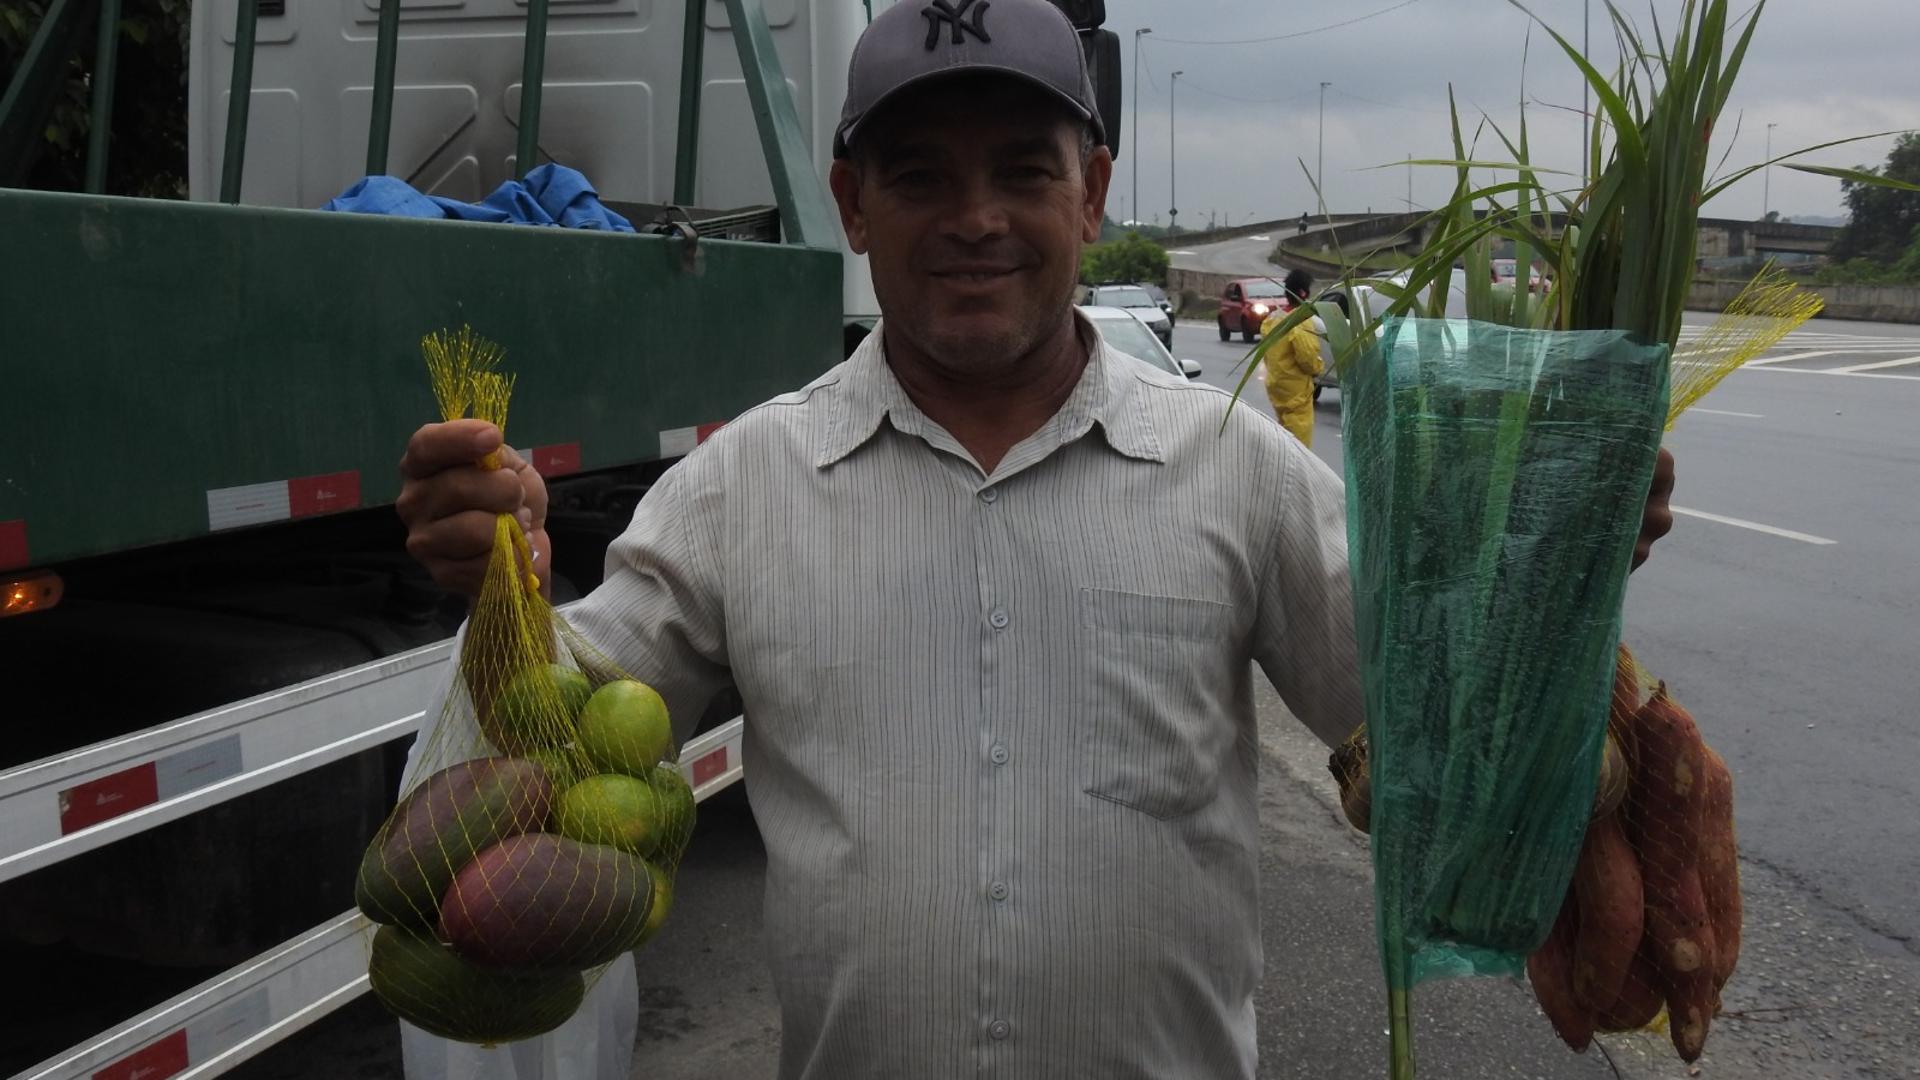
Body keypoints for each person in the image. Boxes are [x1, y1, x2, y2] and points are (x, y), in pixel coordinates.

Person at [396, 1, 1678, 1076]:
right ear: (850, 204)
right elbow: (568, 747)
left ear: (1093, 191)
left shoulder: (1234, 467)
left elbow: (1412, 742)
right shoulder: (746, 485)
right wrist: (502, 578)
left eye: (1023, 168)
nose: (975, 218)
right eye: (919, 177)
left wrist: (1545, 580)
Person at [1259, 268, 1326, 447]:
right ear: (1303, 293)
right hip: (1296, 392)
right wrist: (1320, 367)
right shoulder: (1300, 322)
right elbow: (1308, 359)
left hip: (1277, 387)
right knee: (1300, 446)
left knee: (1284, 439)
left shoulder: (1272, 320)